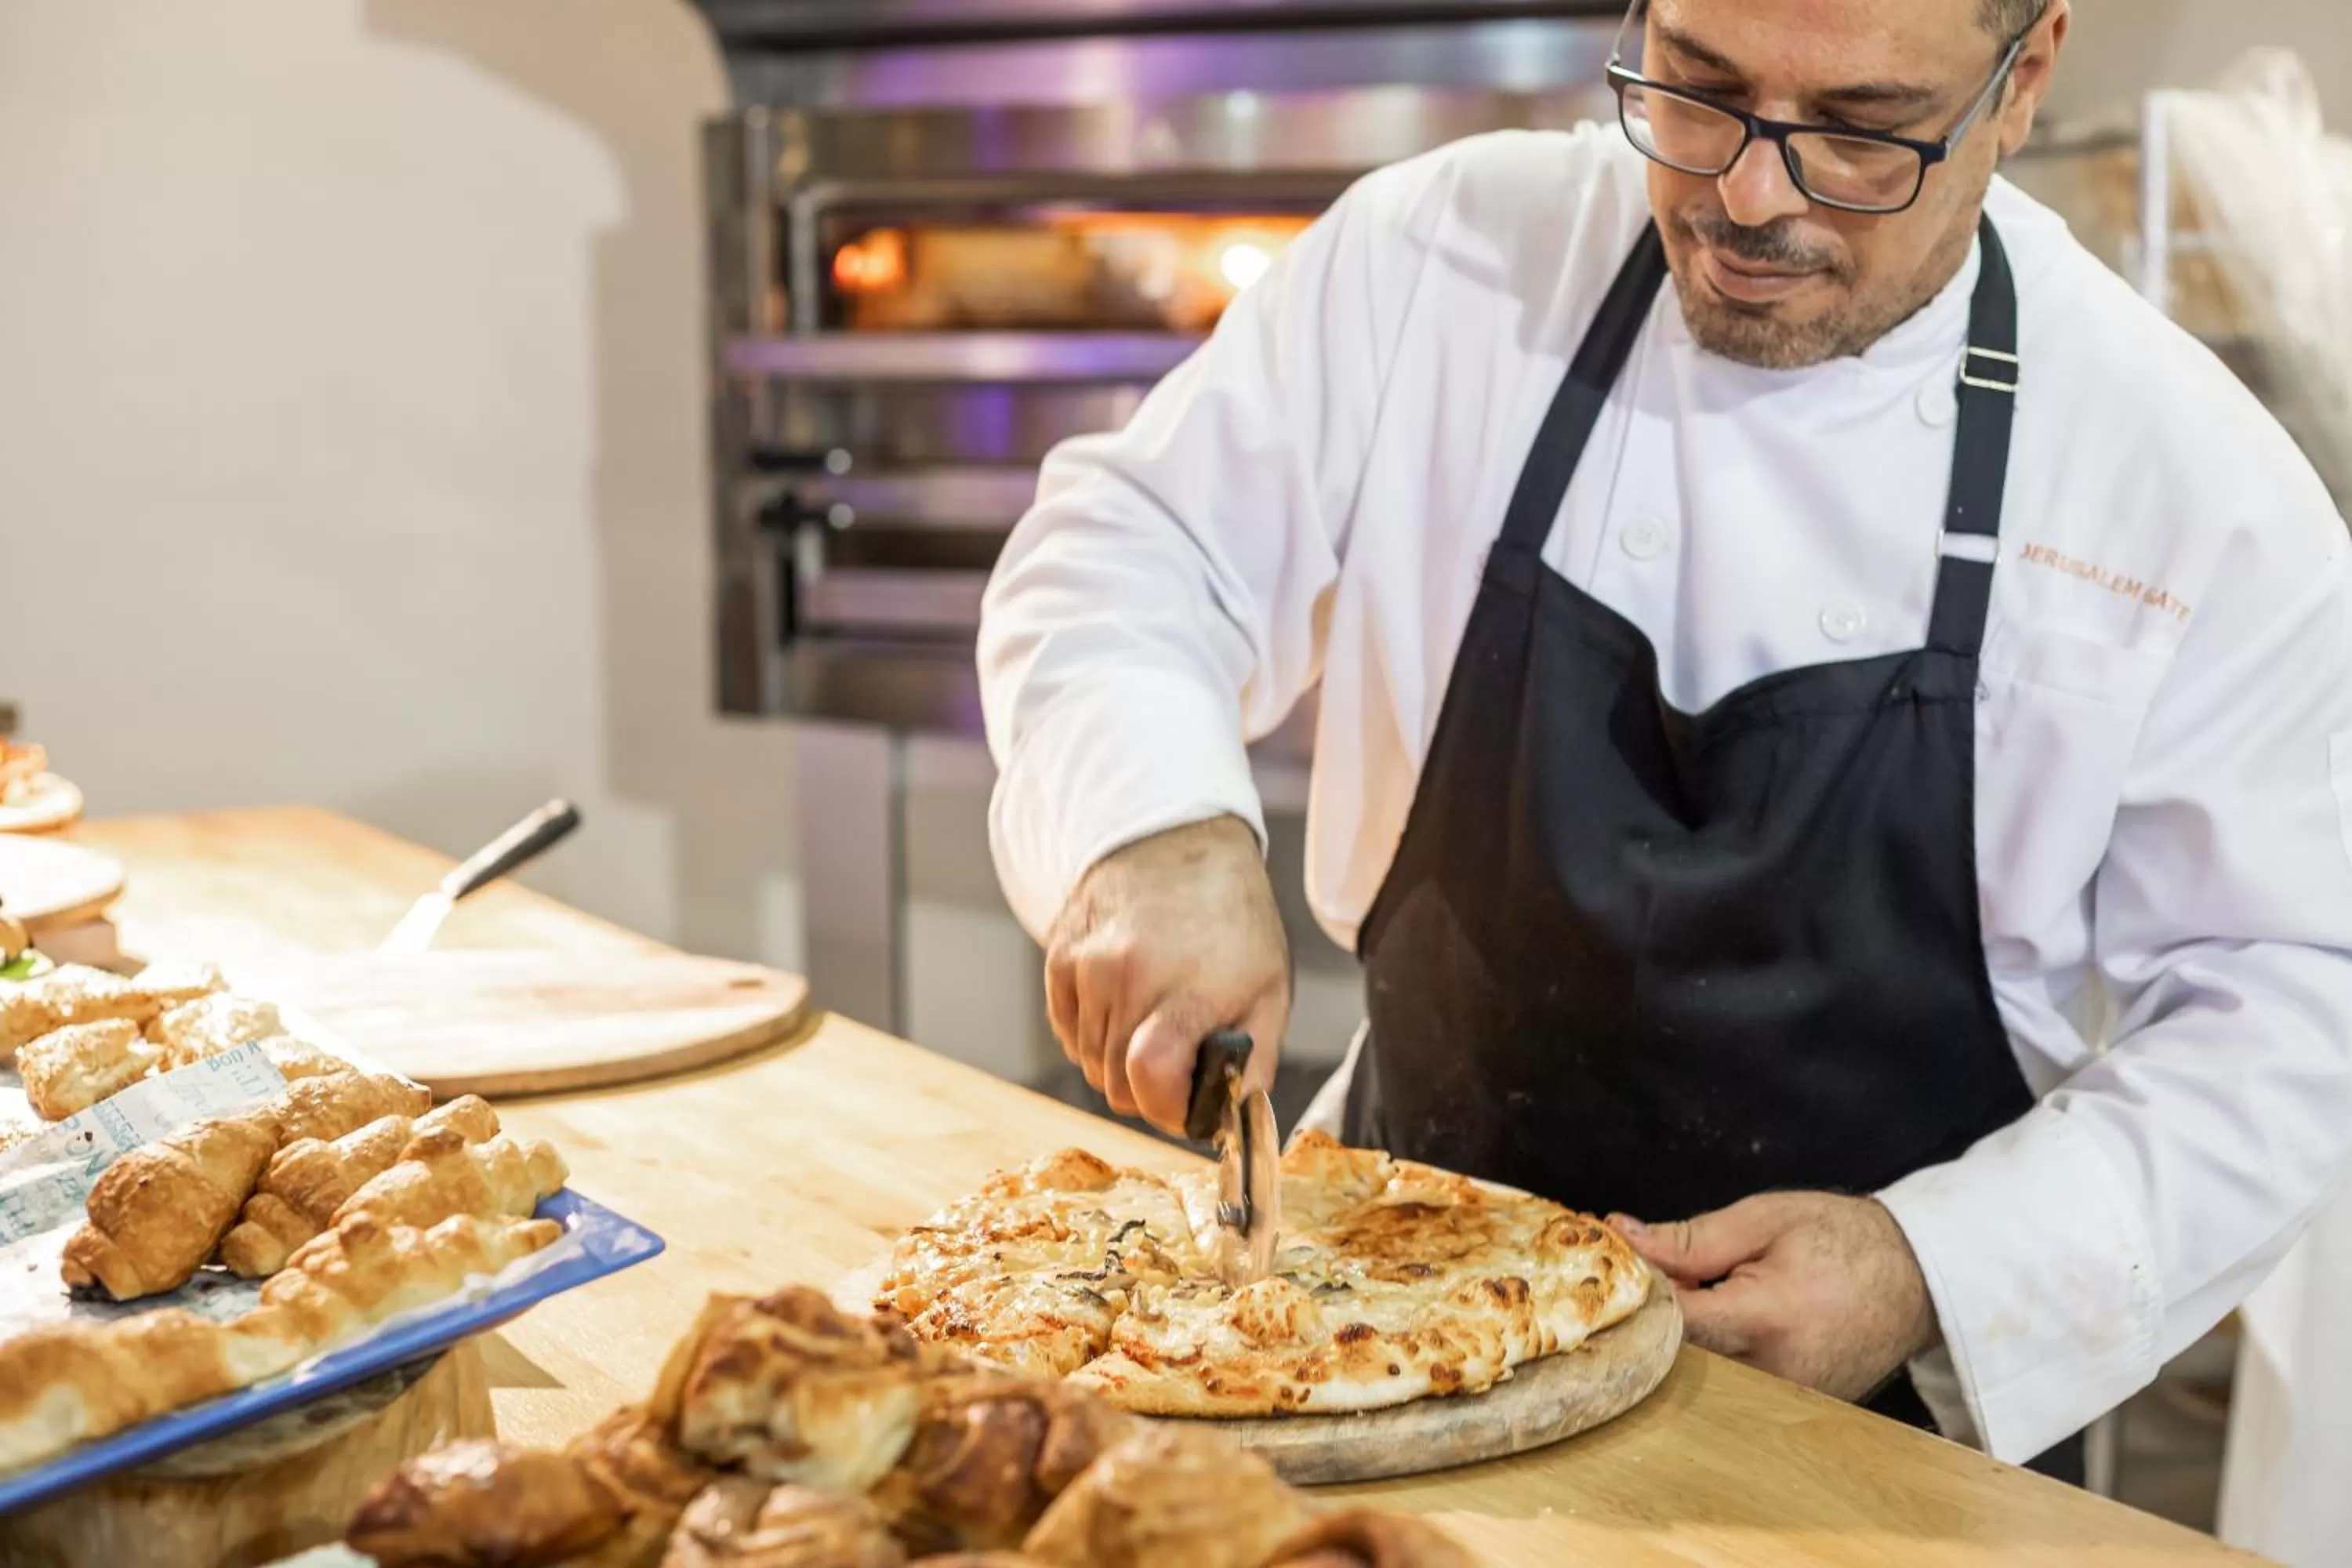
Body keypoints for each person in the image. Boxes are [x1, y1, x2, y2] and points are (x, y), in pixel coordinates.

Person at [975, 0, 2352, 1480]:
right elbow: (1136, 544)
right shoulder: (1443, 258)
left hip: (1888, 1446)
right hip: (1370, 1336)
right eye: (1697, 90)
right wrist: (1149, 826)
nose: (1749, 197)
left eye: (1861, 133)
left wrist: (1930, 1268)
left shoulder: (2183, 479)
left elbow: (2290, 1002)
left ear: (2023, 80)